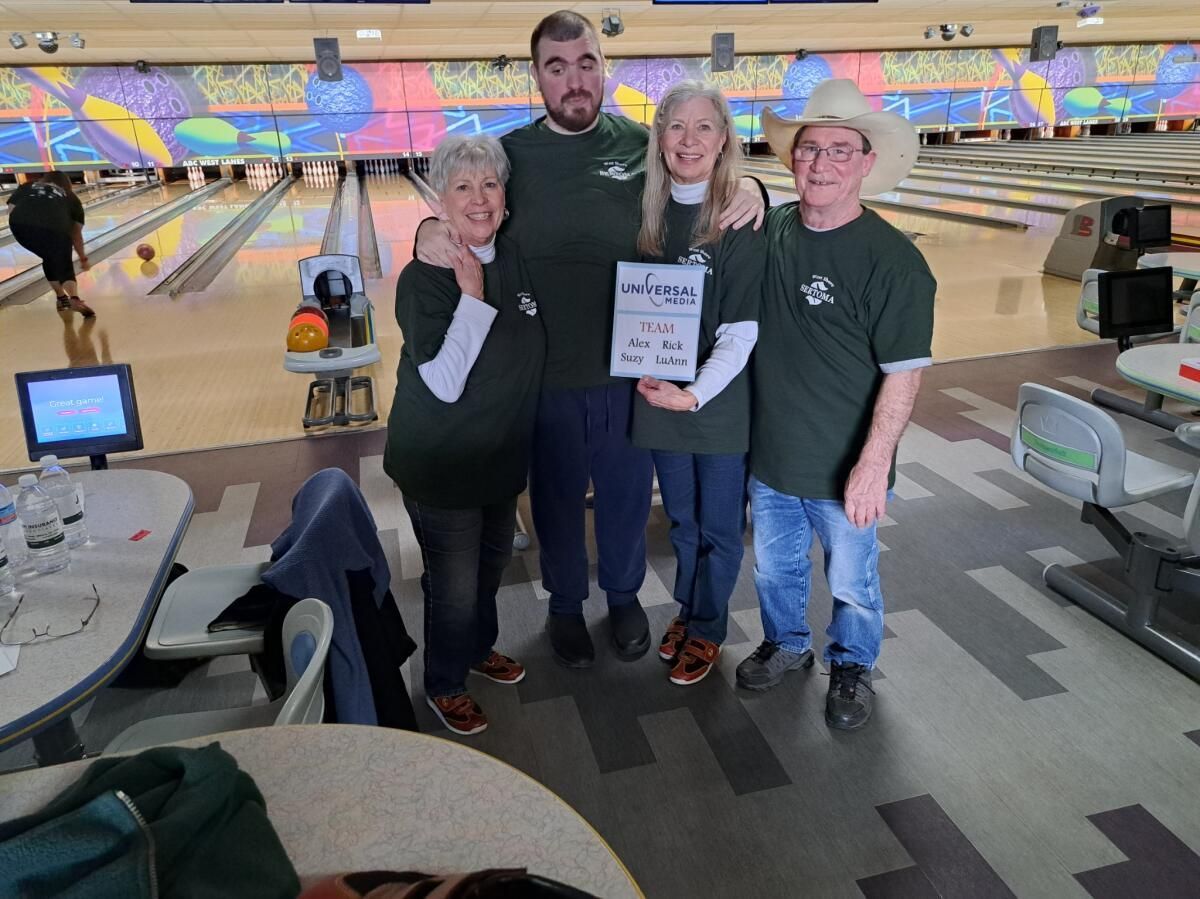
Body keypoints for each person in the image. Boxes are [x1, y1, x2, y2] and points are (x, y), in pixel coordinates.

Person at [416, 10, 765, 670]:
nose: (574, 79)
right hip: (540, 373)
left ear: (603, 67)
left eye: (585, 64)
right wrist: (423, 233)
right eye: (557, 67)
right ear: (538, 77)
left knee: (628, 498)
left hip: (629, 370)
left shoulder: (642, 144)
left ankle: (626, 596)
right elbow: (469, 212)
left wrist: (754, 186)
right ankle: (565, 605)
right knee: (552, 499)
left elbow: (700, 182)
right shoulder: (509, 156)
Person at [737, 79, 935, 731]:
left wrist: (874, 464)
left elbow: (903, 376)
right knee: (774, 568)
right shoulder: (771, 231)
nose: (820, 163)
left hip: (845, 465)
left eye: (839, 150)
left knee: (852, 580)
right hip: (773, 458)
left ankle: (851, 663)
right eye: (808, 148)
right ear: (791, 157)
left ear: (867, 160)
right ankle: (788, 643)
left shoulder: (895, 262)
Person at [383, 135, 545, 736]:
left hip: (499, 456)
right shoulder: (424, 278)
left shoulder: (515, 254)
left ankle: (478, 649)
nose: (479, 199)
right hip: (441, 461)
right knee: (451, 585)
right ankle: (445, 681)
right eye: (462, 187)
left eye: (490, 184)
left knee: (490, 567)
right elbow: (446, 382)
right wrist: (471, 296)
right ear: (439, 201)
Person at [630, 80, 765, 687]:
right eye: (676, 126)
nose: (690, 139)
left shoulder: (739, 216)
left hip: (714, 406)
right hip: (657, 398)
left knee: (718, 527)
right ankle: (688, 611)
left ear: (723, 139)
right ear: (659, 138)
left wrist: (694, 393)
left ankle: (709, 627)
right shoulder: (643, 212)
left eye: (704, 126)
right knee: (680, 522)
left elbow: (740, 332)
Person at [5, 172, 93, 316]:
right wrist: (83, 258)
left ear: (44, 180)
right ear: (66, 185)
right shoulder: (71, 197)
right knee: (62, 260)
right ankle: (74, 298)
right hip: (55, 227)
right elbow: (76, 234)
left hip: (20, 226)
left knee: (50, 257)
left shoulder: (28, 186)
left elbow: (10, 210)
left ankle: (61, 298)